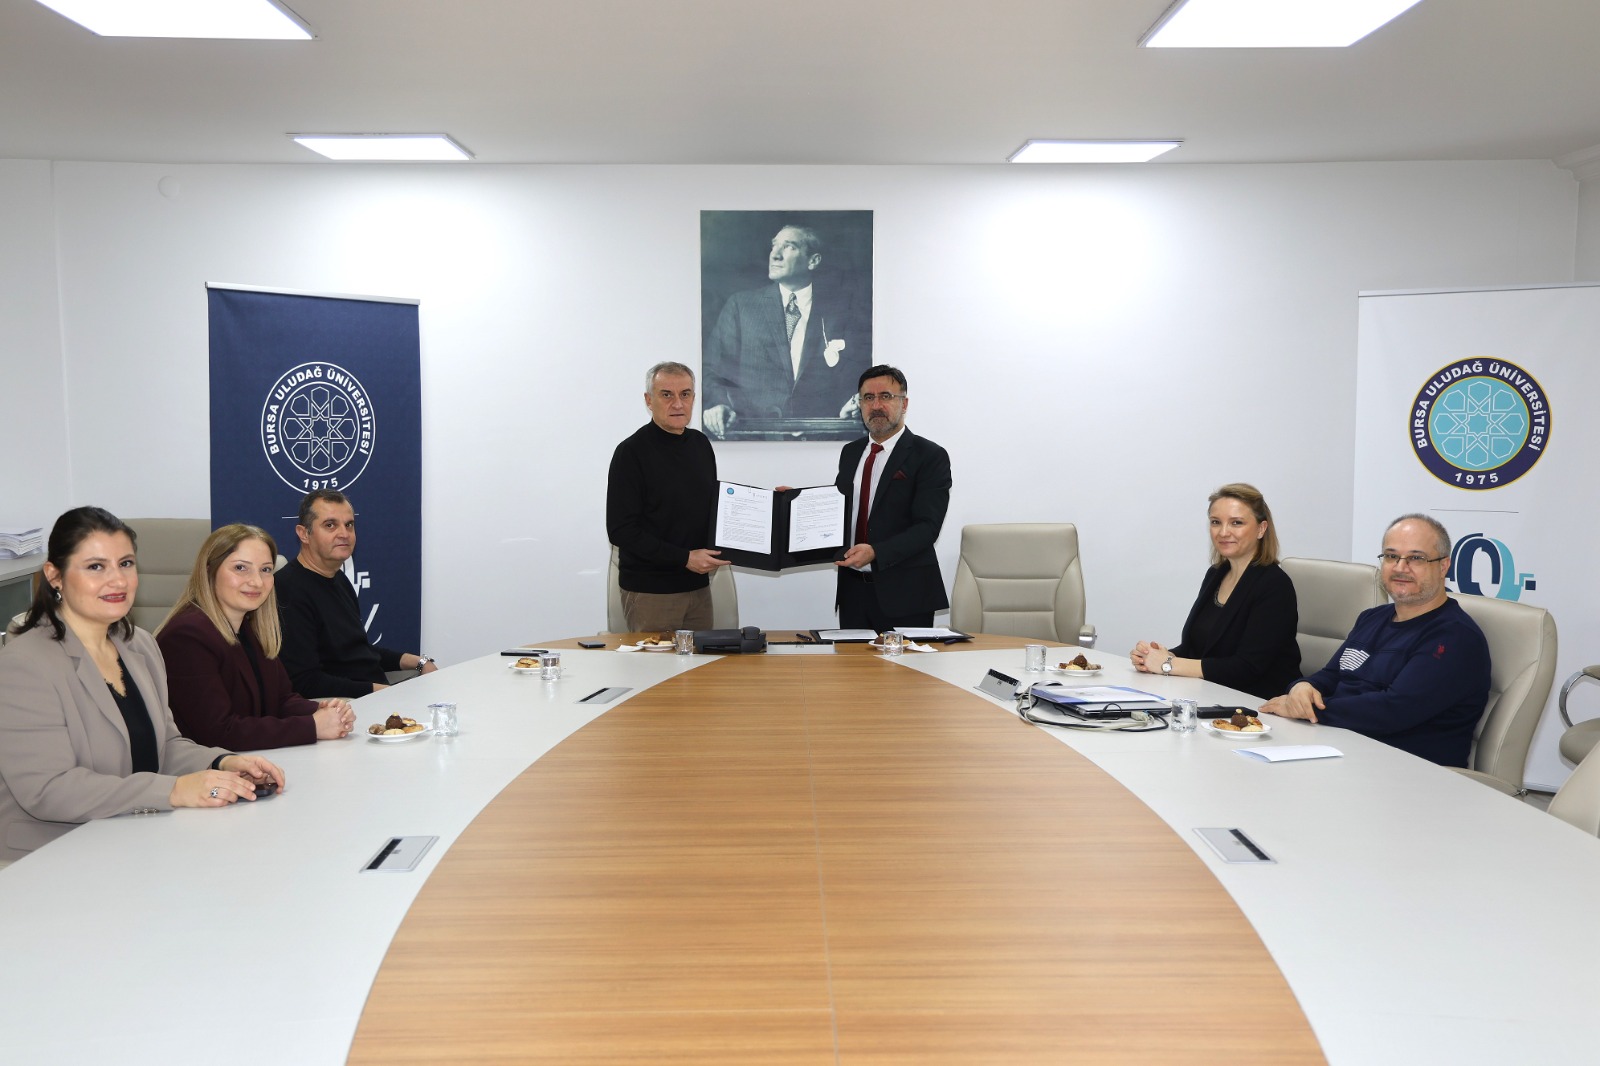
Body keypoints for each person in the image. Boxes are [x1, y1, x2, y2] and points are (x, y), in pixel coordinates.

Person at [0, 507, 286, 865]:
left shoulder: (141, 646)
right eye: (95, 567)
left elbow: (165, 746)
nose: (117, 580)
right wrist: (174, 790)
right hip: (48, 857)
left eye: (126, 564)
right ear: (54, 576)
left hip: (133, 839)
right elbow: (49, 790)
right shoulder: (23, 664)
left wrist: (221, 761)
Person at [1260, 513, 1490, 767]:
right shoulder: (1372, 618)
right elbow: (1332, 675)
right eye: (1391, 556)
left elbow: (1394, 710)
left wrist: (1308, 709)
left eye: (1416, 558)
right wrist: (1302, 687)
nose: (1400, 567)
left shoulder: (1454, 637)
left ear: (1444, 566)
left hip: (1408, 770)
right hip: (1342, 748)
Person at [156, 523, 357, 749]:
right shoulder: (186, 637)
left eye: (266, 570)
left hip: (252, 760)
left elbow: (280, 701)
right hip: (207, 768)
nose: (257, 582)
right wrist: (312, 726)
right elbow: (219, 733)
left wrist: (322, 711)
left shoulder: (249, 628)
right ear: (209, 570)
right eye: (241, 568)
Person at [1130, 483, 1301, 700]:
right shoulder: (1216, 574)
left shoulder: (1274, 585)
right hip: (1212, 695)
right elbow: (1195, 649)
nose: (1223, 532)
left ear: (1261, 529)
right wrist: (1155, 656)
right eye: (1215, 522)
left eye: (1236, 523)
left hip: (1259, 704)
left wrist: (1168, 664)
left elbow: (1247, 667)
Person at [703, 224, 870, 439]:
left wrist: (853, 402)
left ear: (813, 261)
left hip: (823, 438)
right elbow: (713, 370)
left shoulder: (842, 310)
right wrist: (718, 404)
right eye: (774, 246)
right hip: (755, 438)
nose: (775, 254)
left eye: (789, 246)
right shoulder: (741, 306)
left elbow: (857, 371)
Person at [274, 490, 437, 698]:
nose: (344, 533)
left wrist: (419, 662)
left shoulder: (338, 579)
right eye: (330, 525)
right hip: (346, 707)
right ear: (304, 533)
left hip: (375, 697)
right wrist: (382, 692)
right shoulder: (288, 590)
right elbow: (304, 681)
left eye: (349, 524)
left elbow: (356, 652)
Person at [606, 361, 729, 631]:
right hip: (652, 593)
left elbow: (712, 510)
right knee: (656, 662)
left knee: (700, 660)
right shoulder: (631, 452)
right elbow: (621, 530)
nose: (677, 404)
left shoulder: (700, 445)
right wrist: (684, 558)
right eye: (666, 395)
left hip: (698, 588)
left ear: (694, 398)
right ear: (649, 400)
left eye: (685, 394)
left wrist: (774, 506)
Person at [835, 364, 952, 631]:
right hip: (853, 593)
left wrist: (876, 552)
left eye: (885, 396)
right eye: (868, 397)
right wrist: (795, 503)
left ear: (904, 403)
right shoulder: (850, 453)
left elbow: (927, 528)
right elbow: (839, 508)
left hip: (906, 595)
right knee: (851, 661)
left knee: (906, 662)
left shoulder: (930, 455)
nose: (876, 405)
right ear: (860, 404)